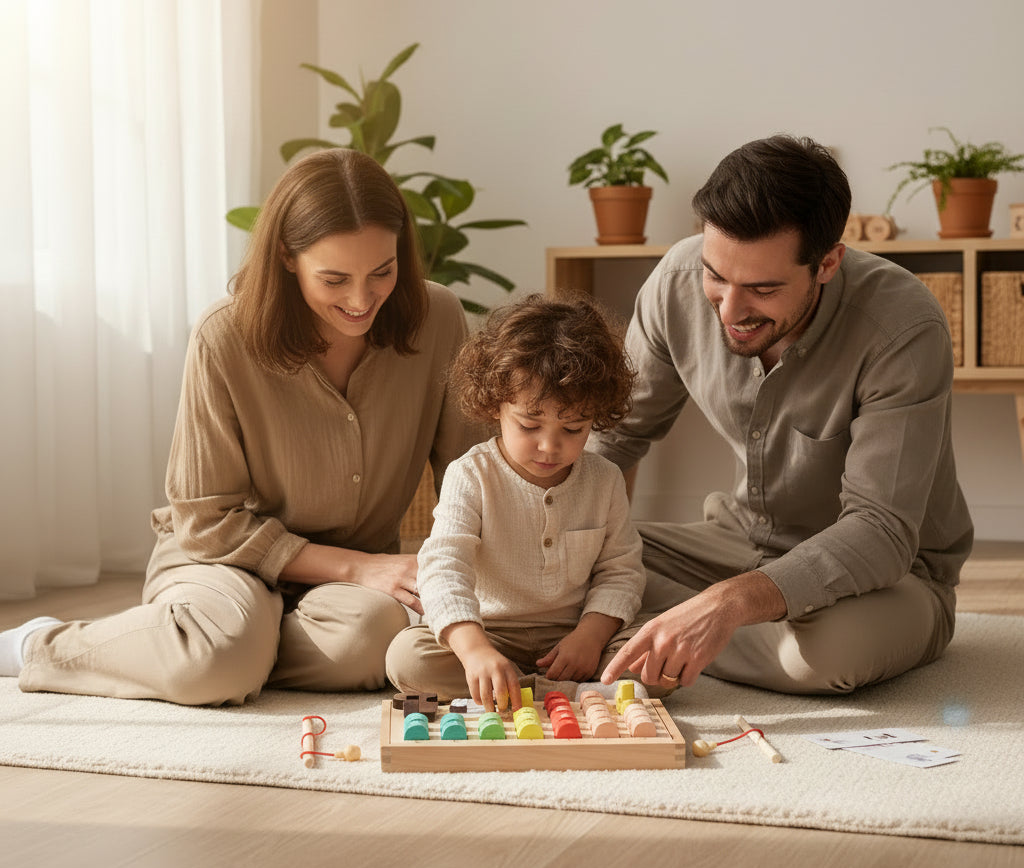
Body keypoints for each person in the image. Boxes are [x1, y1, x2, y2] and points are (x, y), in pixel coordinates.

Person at [0, 149, 483, 705]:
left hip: (348, 587)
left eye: (382, 272)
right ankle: (40, 644)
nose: (360, 299)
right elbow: (207, 522)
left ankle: (219, 646)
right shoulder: (223, 336)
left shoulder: (439, 317)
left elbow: (472, 477)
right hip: (224, 561)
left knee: (370, 644)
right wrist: (357, 566)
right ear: (286, 256)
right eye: (334, 278)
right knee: (218, 661)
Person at [595, 134, 974, 696]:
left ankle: (648, 632)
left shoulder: (902, 326)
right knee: (565, 562)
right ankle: (673, 629)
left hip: (891, 575)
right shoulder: (675, 281)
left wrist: (730, 602)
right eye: (716, 276)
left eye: (763, 288)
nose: (730, 310)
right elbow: (614, 439)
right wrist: (574, 556)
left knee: (827, 655)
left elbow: (881, 532)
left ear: (827, 263)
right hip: (735, 541)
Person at [385, 293, 647, 711]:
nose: (549, 445)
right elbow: (444, 567)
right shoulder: (470, 475)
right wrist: (475, 651)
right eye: (529, 424)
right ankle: (556, 692)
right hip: (492, 633)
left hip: (575, 633)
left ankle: (525, 688)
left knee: (652, 651)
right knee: (408, 659)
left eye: (574, 428)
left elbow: (622, 571)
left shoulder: (605, 479)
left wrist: (591, 635)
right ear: (496, 406)